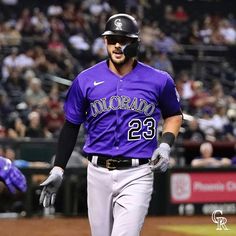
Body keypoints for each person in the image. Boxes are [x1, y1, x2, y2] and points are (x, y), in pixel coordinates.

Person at [39, 13, 182, 236]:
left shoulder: (159, 79)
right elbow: (71, 126)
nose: (117, 45)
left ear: (135, 43)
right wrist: (58, 168)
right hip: (97, 172)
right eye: (111, 39)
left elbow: (173, 114)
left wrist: (165, 144)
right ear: (104, 41)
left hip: (138, 172)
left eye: (123, 40)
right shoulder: (85, 79)